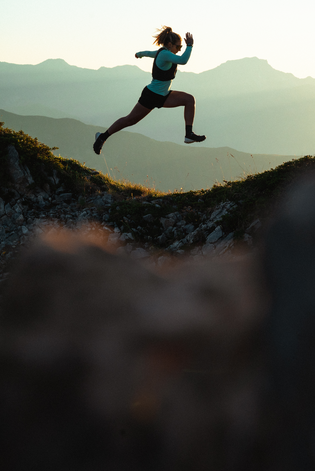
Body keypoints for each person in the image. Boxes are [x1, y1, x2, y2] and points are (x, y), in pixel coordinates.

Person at [93, 26, 206, 155]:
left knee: (189, 100)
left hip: (164, 95)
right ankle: (102, 137)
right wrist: (189, 46)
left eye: (181, 48)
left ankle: (189, 134)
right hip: (151, 95)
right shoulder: (164, 54)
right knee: (130, 120)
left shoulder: (163, 53)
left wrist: (139, 54)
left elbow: (149, 53)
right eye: (178, 47)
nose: (179, 50)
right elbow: (183, 60)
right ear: (170, 44)